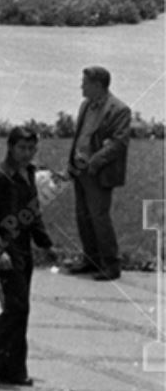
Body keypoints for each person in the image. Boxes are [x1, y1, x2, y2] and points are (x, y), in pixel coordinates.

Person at [0, 127, 55, 386]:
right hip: (5, 250)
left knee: (21, 310)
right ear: (10, 147)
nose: (27, 154)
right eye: (22, 148)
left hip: (23, 249)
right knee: (16, 308)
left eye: (31, 149)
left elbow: (34, 212)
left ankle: (14, 369)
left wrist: (46, 243)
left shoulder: (29, 174)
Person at [68, 65, 130, 283]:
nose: (81, 87)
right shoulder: (86, 105)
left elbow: (118, 143)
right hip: (80, 170)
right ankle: (91, 259)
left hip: (98, 173)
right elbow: (81, 136)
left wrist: (94, 162)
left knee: (99, 217)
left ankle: (111, 265)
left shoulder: (119, 109)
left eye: (84, 83)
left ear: (97, 85)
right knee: (83, 217)